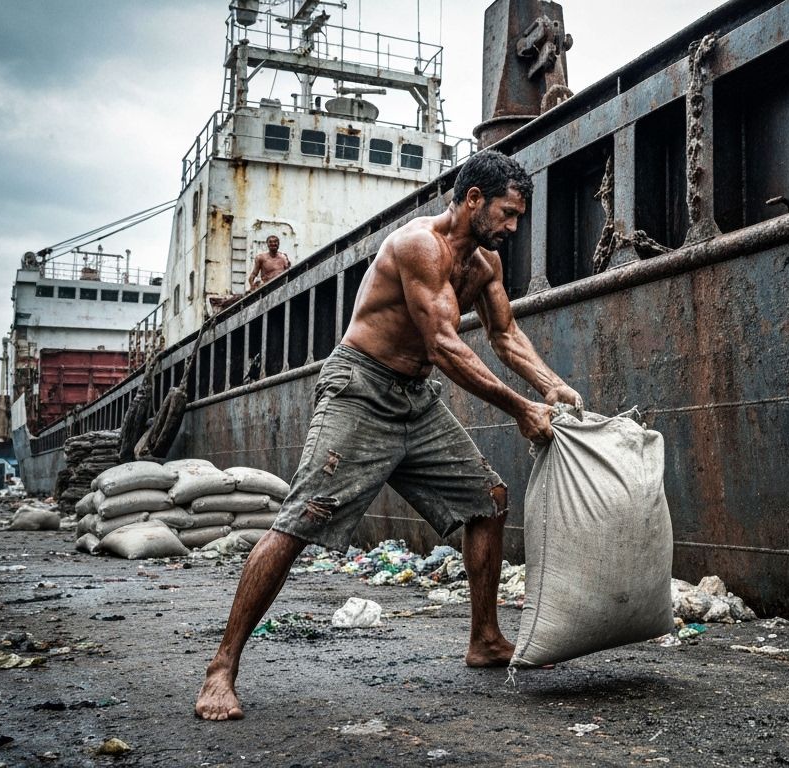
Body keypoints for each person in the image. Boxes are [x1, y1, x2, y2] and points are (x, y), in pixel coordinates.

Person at [195, 150, 580, 721]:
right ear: (473, 199)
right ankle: (222, 669)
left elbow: (506, 335)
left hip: (416, 401)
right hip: (360, 389)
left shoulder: (485, 265)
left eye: (518, 217)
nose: (512, 227)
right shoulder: (417, 246)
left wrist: (554, 387)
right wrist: (522, 408)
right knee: (299, 521)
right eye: (507, 213)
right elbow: (446, 346)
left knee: (489, 500)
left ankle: (484, 638)